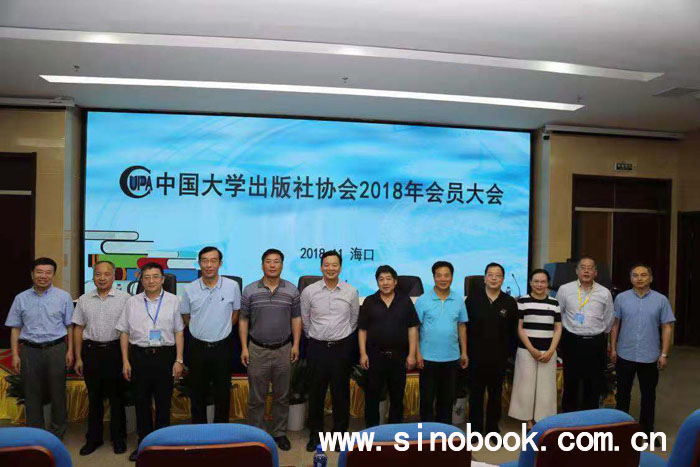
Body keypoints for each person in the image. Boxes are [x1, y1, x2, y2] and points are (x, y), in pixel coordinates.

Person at [117, 262, 185, 462]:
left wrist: (179, 360)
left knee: (164, 403)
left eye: (155, 277)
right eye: (146, 277)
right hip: (139, 356)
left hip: (165, 356)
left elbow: (179, 332)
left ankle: (163, 444)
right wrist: (125, 361)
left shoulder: (174, 301)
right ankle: (144, 444)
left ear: (163, 279)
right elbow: (124, 332)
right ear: (141, 280)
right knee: (141, 403)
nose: (151, 281)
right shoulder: (132, 302)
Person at [5, 257, 74, 439]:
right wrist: (15, 355)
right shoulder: (21, 298)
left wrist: (70, 351)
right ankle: (35, 435)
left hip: (56, 349)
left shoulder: (63, 297)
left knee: (58, 393)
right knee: (31, 393)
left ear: (53, 275)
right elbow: (15, 328)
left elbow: (70, 327)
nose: (43, 276)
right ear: (32, 274)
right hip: (30, 350)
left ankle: (57, 434)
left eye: (48, 272)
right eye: (39, 272)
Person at [240, 248, 301, 451]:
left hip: (284, 349)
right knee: (256, 397)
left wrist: (296, 344)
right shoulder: (250, 290)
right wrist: (244, 348)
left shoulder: (291, 290)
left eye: (276, 261)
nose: (272, 265)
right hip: (257, 349)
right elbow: (243, 320)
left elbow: (296, 318)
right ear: (262, 265)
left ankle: (279, 433)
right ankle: (257, 434)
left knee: (282, 396)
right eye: (268, 261)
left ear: (282, 265)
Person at [301, 250, 359, 452]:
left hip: (341, 349)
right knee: (316, 393)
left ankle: (339, 435)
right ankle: (315, 435)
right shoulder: (309, 292)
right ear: (321, 267)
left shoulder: (351, 291)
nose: (330, 268)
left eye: (335, 265)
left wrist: (339, 336)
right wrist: (318, 336)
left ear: (340, 268)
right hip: (317, 347)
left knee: (340, 394)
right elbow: (306, 321)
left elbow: (353, 321)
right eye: (327, 265)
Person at [73, 260, 130, 455]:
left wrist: (126, 359)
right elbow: (78, 328)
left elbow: (129, 330)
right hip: (92, 352)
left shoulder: (125, 299)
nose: (102, 278)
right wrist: (78, 357)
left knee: (117, 398)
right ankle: (94, 439)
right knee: (94, 397)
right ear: (93, 276)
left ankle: (118, 438)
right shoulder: (84, 299)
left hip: (115, 351)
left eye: (107, 274)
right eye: (98, 274)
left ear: (114, 276)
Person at [611, 264, 675, 436]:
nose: (639, 278)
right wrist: (613, 348)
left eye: (643, 275)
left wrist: (664, 354)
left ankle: (647, 431)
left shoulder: (661, 300)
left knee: (648, 396)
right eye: (635, 275)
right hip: (625, 353)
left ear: (650, 278)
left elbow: (667, 327)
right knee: (623, 394)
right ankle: (621, 430)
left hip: (650, 355)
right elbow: (615, 325)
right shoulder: (621, 298)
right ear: (631, 278)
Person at [180, 246, 240, 425]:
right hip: (197, 348)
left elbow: (235, 313)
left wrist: (222, 329)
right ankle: (199, 432)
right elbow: (186, 316)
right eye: (204, 261)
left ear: (220, 263)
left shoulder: (232, 286)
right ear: (199, 263)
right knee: (197, 393)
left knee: (222, 393)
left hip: (223, 347)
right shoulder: (189, 289)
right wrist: (200, 329)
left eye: (213, 261)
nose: (209, 265)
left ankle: (220, 432)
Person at [359, 265, 419, 427]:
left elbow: (412, 328)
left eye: (388, 279)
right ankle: (371, 432)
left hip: (399, 356)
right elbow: (362, 330)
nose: (385, 283)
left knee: (397, 397)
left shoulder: (405, 301)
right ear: (377, 282)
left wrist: (411, 354)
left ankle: (395, 432)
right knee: (372, 396)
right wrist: (363, 353)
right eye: (381, 279)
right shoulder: (369, 301)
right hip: (374, 356)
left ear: (395, 281)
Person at [556, 256, 614, 412]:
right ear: (576, 271)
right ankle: (569, 417)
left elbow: (609, 319)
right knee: (571, 381)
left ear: (596, 272)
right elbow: (558, 314)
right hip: (572, 341)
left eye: (590, 268)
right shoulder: (565, 290)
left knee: (593, 383)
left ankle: (590, 418)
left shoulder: (604, 292)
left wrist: (599, 333)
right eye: (583, 267)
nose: (586, 271)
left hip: (596, 343)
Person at [465, 262, 518, 434]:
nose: (494, 278)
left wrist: (508, 355)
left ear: (502, 279)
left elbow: (513, 332)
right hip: (475, 357)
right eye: (490, 275)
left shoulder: (509, 302)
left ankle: (493, 430)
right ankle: (475, 430)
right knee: (476, 395)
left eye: (498, 275)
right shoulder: (472, 300)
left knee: (495, 395)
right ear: (484, 278)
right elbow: (465, 328)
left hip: (498, 358)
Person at [415, 261, 468, 425]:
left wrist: (464, 352)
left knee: (446, 401)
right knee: (427, 401)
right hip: (427, 358)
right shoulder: (423, 300)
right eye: (439, 275)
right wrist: (417, 353)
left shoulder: (458, 299)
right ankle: (426, 435)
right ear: (433, 277)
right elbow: (415, 329)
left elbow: (461, 326)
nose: (443, 279)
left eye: (446, 275)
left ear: (452, 277)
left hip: (451, 358)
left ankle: (443, 434)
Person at [508, 269, 562, 429]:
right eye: (536, 281)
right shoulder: (522, 301)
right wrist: (531, 349)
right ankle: (527, 419)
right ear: (530, 283)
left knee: (546, 387)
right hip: (526, 351)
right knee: (525, 385)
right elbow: (519, 328)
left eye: (543, 281)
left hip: (548, 351)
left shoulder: (554, 303)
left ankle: (543, 419)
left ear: (548, 283)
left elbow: (558, 328)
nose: (539, 285)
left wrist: (551, 350)